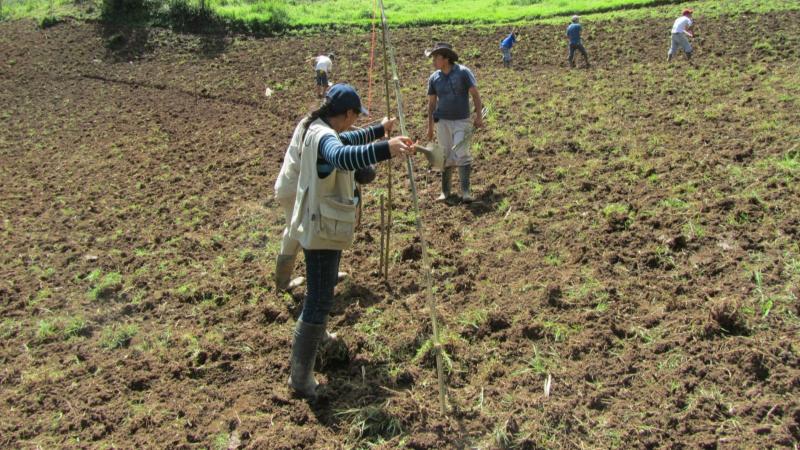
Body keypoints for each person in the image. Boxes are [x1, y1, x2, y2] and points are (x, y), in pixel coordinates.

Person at [279, 83, 414, 400]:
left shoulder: (318, 127)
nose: (356, 122)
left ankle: (310, 356)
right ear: (348, 113)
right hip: (322, 229)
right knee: (318, 300)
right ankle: (300, 379)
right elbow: (341, 155)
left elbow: (348, 140)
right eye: (356, 116)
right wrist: (386, 148)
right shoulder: (325, 137)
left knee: (319, 294)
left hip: (320, 223)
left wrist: (378, 131)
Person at [425, 42, 484, 203]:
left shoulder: (463, 73)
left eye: (436, 58)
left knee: (461, 152)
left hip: (462, 120)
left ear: (446, 58)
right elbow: (431, 104)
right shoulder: (434, 78)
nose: (433, 61)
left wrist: (478, 116)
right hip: (442, 121)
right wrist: (430, 127)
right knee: (445, 155)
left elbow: (475, 94)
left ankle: (465, 192)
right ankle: (445, 192)